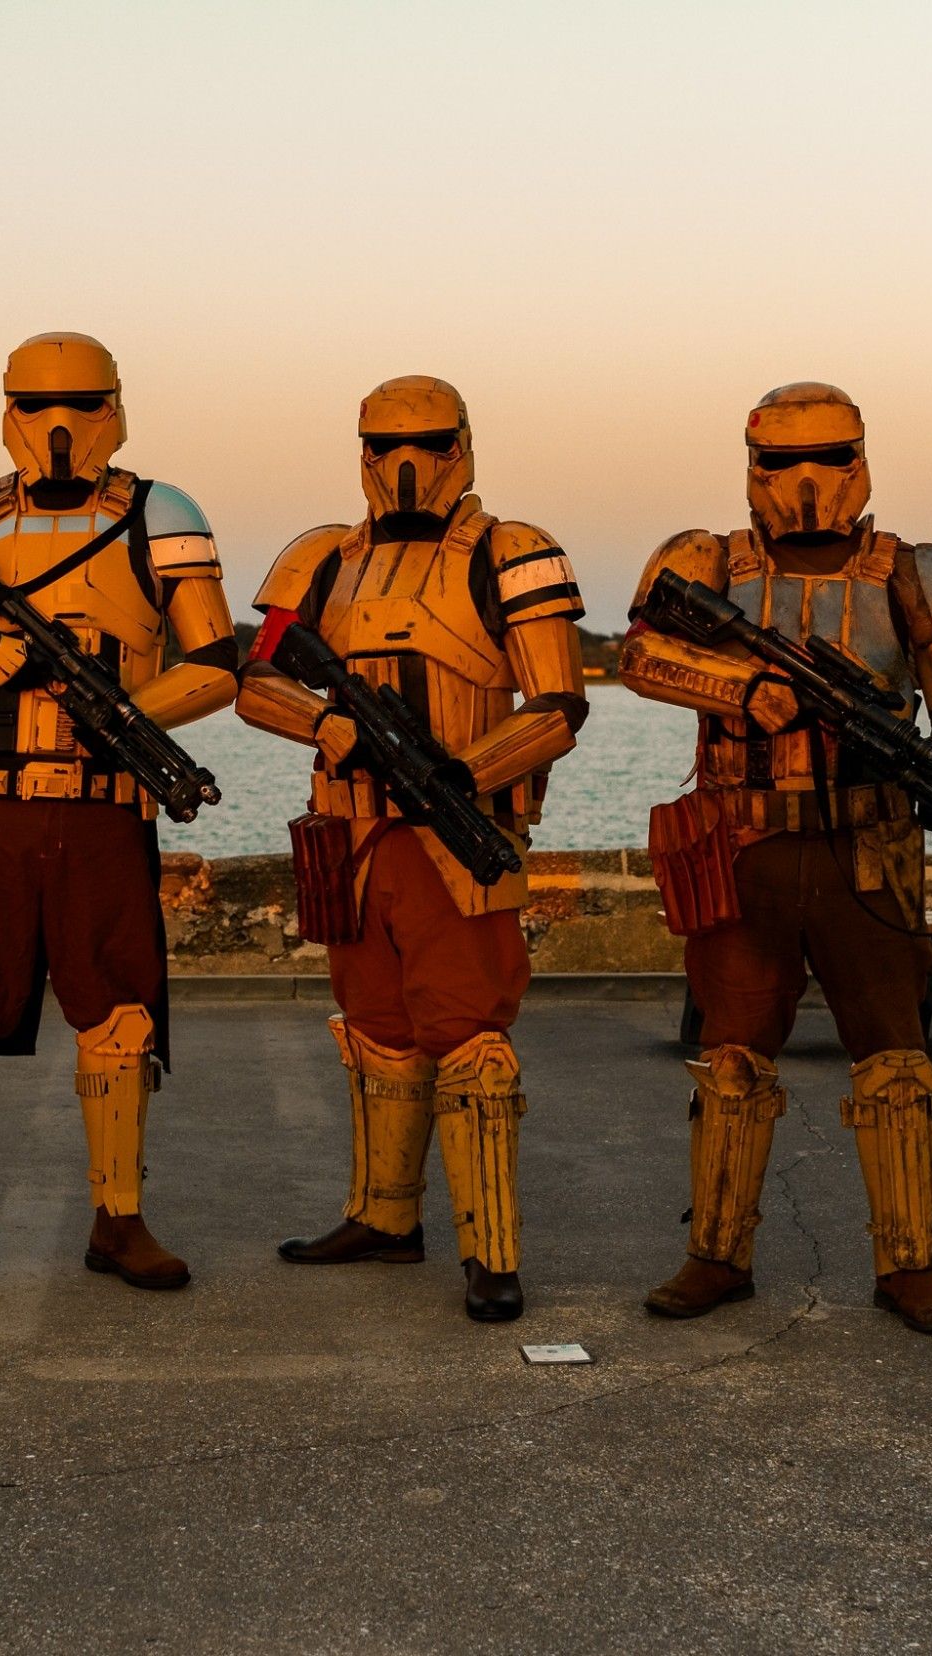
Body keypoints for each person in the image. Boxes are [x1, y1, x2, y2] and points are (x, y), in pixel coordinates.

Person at [619, 382, 932, 1334]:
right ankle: (716, 1251)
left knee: (896, 1062)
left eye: (829, 459)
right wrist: (743, 687)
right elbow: (641, 657)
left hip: (865, 847)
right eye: (782, 462)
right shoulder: (705, 562)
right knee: (732, 1060)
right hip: (741, 840)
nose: (805, 483)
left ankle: (909, 1263)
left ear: (861, 458)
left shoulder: (918, 573)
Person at [0, 332, 238, 1301]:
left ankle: (119, 1219)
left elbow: (214, 666)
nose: (60, 425)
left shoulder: (164, 513)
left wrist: (124, 716)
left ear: (114, 406)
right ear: (7, 410)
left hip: (104, 805)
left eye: (81, 401)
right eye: (39, 404)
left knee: (120, 1025)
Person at [236, 376, 588, 1322]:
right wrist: (322, 724)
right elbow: (254, 679)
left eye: (430, 442)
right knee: (377, 1029)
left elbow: (557, 705)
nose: (406, 464)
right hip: (350, 831)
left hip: (455, 835)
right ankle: (385, 1217)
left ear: (462, 445)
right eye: (387, 442)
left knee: (469, 1032)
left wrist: (464, 777)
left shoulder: (515, 553)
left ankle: (493, 1249)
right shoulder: (319, 559)